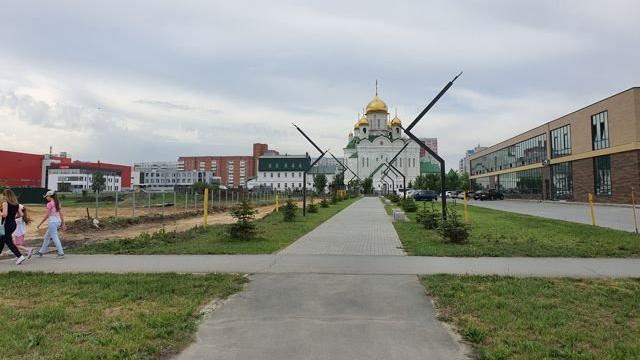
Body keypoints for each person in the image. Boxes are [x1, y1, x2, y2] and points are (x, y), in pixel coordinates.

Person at [36, 190, 65, 258]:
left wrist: (40, 224)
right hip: (58, 221)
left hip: (52, 222)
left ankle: (61, 253)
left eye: (47, 196)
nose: (46, 198)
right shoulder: (57, 203)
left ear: (50, 196)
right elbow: (61, 214)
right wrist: (63, 223)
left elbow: (47, 215)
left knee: (54, 237)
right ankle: (41, 252)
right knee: (47, 237)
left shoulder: (49, 204)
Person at [1, 189, 27, 265]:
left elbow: (4, 214)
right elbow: (21, 214)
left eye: (4, 195)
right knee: (2, 240)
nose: (3, 197)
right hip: (13, 224)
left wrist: (0, 212)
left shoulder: (5, 203)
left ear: (6, 195)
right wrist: (13, 217)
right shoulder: (16, 204)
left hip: (6, 224)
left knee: (8, 241)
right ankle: (19, 256)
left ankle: (19, 256)